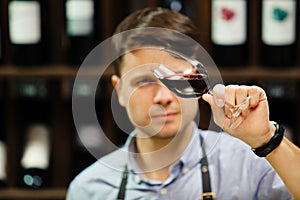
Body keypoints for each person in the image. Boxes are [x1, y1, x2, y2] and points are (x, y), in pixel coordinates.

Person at [66, 7, 300, 200]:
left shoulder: (251, 164)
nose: (163, 97)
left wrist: (268, 140)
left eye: (176, 79)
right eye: (144, 81)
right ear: (120, 90)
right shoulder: (88, 190)